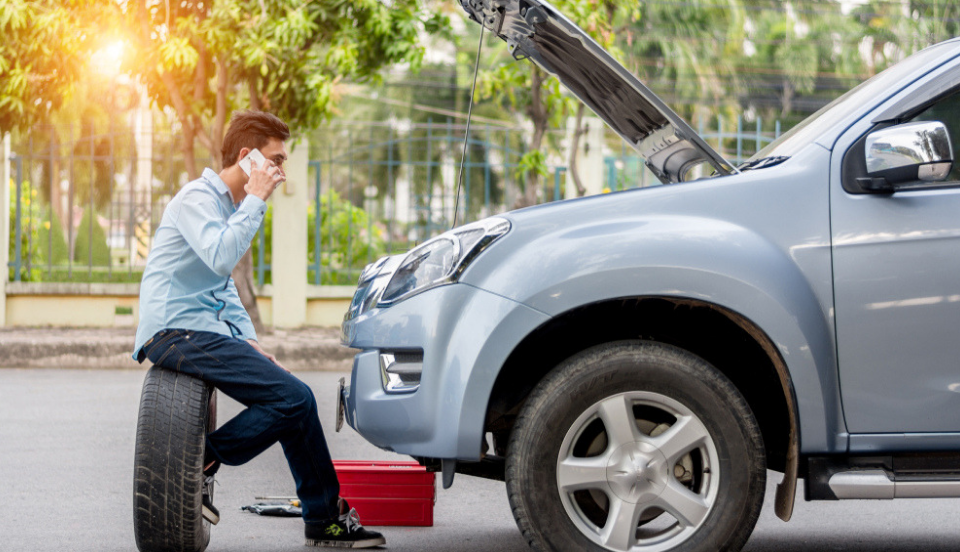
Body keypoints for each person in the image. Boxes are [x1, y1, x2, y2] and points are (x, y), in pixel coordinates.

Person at [132, 110, 385, 549]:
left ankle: (322, 520)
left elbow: (221, 285)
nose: (281, 172)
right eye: (275, 160)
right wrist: (256, 200)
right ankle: (203, 459)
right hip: (175, 332)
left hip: (199, 332)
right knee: (295, 398)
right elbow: (220, 258)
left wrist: (250, 342)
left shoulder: (224, 205)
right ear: (247, 158)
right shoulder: (197, 198)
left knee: (295, 401)